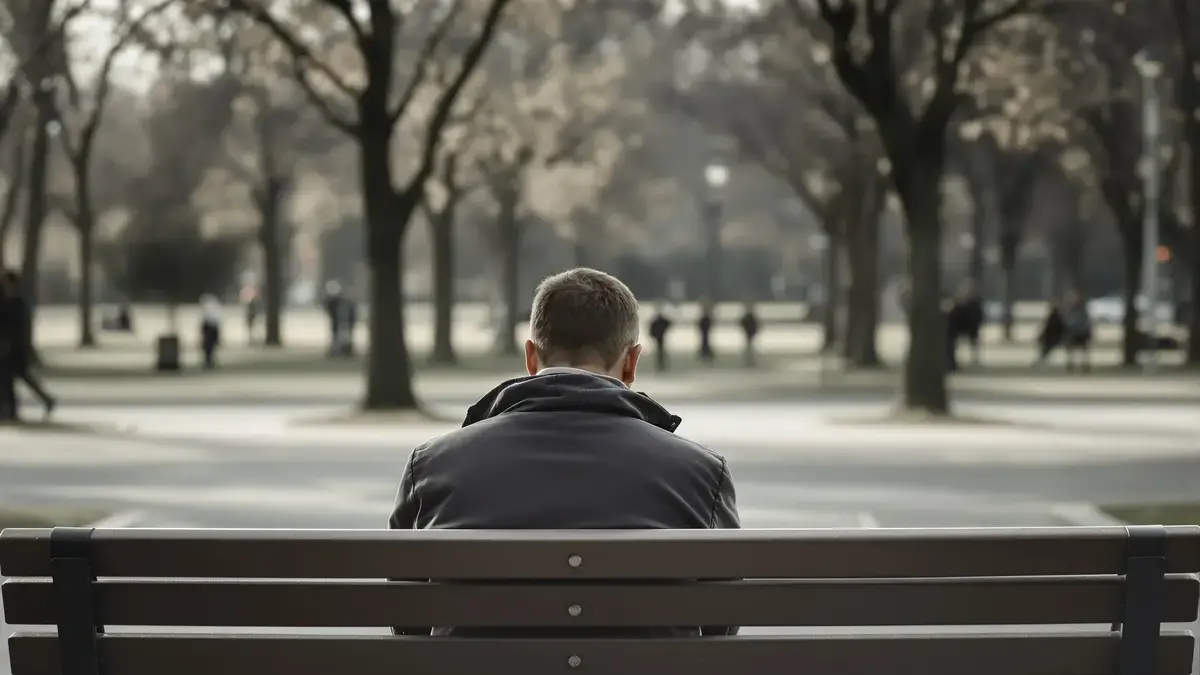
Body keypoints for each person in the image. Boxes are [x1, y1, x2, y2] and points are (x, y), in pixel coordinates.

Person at [389, 267, 740, 638]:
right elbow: (722, 622)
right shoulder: (701, 472)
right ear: (632, 361)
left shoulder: (432, 464)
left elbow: (407, 619)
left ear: (530, 357)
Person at [4, 270, 54, 418]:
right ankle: (46, 399)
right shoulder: (19, 300)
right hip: (18, 346)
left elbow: (15, 326)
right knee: (23, 377)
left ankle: (12, 410)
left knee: (11, 379)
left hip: (14, 347)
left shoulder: (15, 302)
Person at [946, 279, 984, 371]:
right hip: (963, 328)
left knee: (950, 341)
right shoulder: (975, 305)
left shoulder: (967, 306)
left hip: (960, 328)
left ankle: (951, 363)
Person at [1061, 289, 1092, 372]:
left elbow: (1086, 322)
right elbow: (1068, 322)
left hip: (1081, 332)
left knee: (1083, 349)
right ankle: (1071, 365)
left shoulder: (1082, 311)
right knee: (1070, 348)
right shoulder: (1070, 310)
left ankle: (1084, 365)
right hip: (1074, 332)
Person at [199, 293, 222, 369]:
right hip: (212, 327)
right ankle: (210, 361)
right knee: (210, 346)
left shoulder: (207, 308)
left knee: (208, 346)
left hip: (209, 327)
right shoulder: (215, 308)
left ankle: (209, 361)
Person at [648, 304, 672, 372]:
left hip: (659, 337)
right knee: (660, 351)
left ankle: (661, 364)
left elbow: (651, 328)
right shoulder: (658, 320)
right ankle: (661, 365)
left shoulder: (656, 321)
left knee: (660, 351)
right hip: (659, 337)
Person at [739, 300, 760, 367]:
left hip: (750, 336)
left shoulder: (750, 318)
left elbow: (756, 326)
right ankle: (749, 361)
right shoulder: (747, 318)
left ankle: (750, 361)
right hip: (749, 336)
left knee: (749, 348)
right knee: (749, 348)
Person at [697, 297, 715, 365]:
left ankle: (707, 357)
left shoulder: (707, 318)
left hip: (706, 336)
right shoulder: (703, 319)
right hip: (704, 336)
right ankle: (705, 357)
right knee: (704, 343)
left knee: (706, 343)